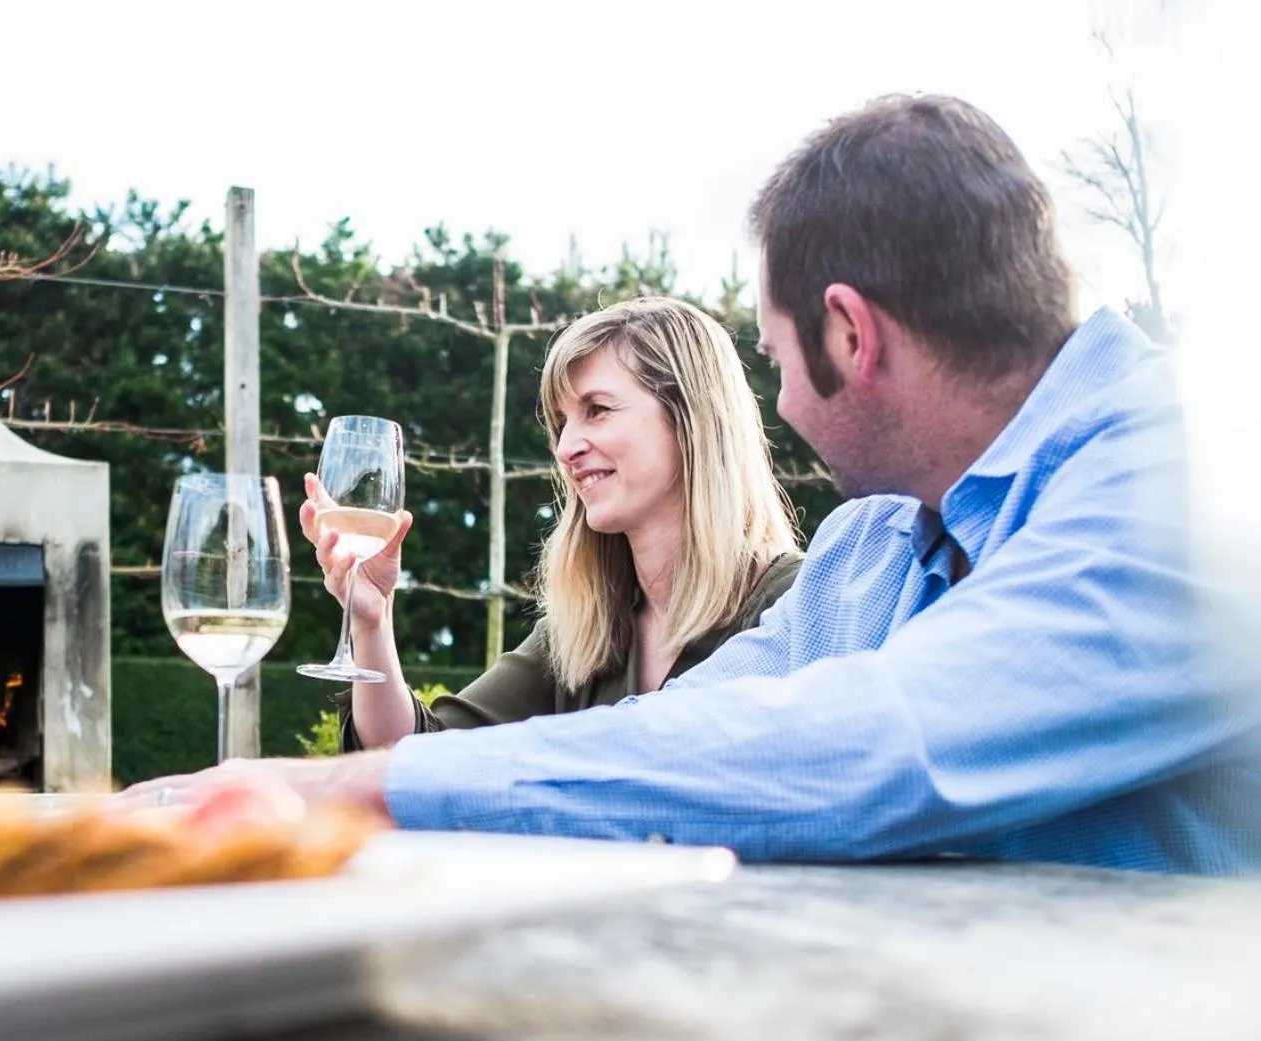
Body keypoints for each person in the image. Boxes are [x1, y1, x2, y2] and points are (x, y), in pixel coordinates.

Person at [125, 93, 1261, 875]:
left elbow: (877, 747)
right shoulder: (871, 549)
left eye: (774, 357)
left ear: (850, 334)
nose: (781, 402)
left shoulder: (1195, 489)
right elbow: (683, 730)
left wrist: (348, 792)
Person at [303, 296, 802, 752]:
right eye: (562, 424)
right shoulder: (586, 631)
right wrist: (371, 618)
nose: (566, 449)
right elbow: (419, 758)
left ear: (691, 419)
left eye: (597, 410)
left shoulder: (799, 603)